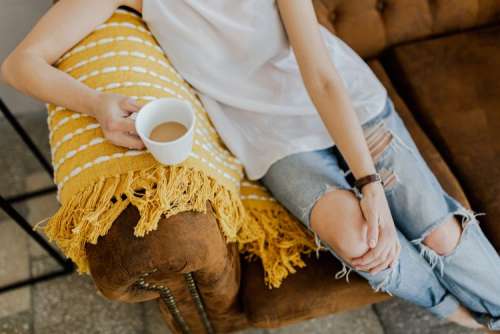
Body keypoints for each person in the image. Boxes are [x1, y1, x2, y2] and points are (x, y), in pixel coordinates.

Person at [1, 0, 499, 330]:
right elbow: (21, 64)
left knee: (439, 236)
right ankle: (466, 316)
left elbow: (322, 78)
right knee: (360, 243)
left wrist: (369, 182)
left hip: (350, 108)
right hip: (273, 143)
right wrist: (95, 103)